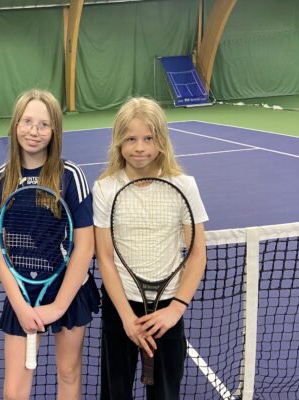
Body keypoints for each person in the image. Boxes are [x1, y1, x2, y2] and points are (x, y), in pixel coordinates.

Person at [0, 89, 99, 400]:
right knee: (14, 391)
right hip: (22, 294)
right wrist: (21, 307)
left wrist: (58, 305)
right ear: (15, 125)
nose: (34, 131)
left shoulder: (70, 176)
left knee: (68, 372)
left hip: (68, 291)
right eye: (27, 121)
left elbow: (85, 246)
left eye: (44, 124)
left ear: (55, 130)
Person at [92, 97, 208, 400]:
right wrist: (126, 318)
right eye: (131, 139)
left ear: (161, 141)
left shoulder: (184, 185)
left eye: (148, 138)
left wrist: (176, 309)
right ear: (119, 141)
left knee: (165, 394)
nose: (140, 147)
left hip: (167, 309)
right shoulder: (104, 188)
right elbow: (105, 258)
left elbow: (197, 254)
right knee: (115, 393)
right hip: (120, 308)